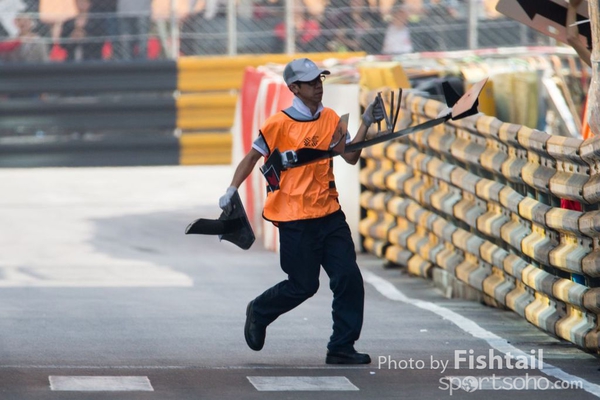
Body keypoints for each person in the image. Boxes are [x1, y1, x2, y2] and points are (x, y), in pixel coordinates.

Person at [218, 58, 384, 364]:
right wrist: (231, 189)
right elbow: (252, 157)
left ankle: (341, 347)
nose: (318, 86)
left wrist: (366, 123)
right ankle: (259, 310)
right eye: (311, 83)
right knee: (303, 285)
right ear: (294, 88)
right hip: (294, 219)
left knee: (349, 278)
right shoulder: (278, 124)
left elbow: (350, 157)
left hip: (329, 215)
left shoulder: (331, 118)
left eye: (320, 80)